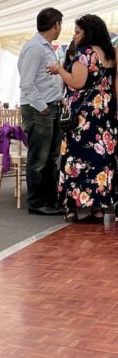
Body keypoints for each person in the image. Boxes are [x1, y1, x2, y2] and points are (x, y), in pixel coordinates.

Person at [46, 13, 117, 222]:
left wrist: (59, 69)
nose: (75, 36)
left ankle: (70, 207)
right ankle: (96, 206)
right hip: (104, 116)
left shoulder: (85, 53)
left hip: (82, 120)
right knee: (100, 160)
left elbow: (77, 82)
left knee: (74, 160)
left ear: (88, 32)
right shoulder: (109, 53)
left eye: (78, 32)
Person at [18, 7, 65, 215]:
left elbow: (47, 80)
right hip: (39, 109)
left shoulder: (46, 47)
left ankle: (50, 199)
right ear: (56, 25)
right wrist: (43, 107)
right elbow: (26, 83)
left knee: (51, 157)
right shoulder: (36, 48)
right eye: (60, 24)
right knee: (39, 158)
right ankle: (36, 203)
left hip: (50, 106)